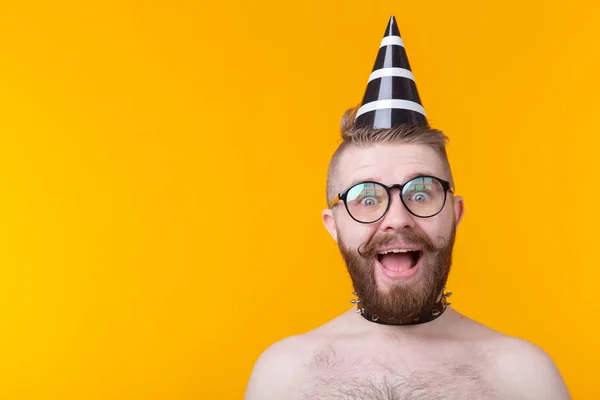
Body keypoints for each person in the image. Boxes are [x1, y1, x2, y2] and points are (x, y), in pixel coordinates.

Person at [245, 16, 571, 399]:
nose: (397, 218)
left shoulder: (523, 376)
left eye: (420, 193)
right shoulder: (284, 375)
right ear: (333, 225)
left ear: (456, 214)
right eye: (367, 198)